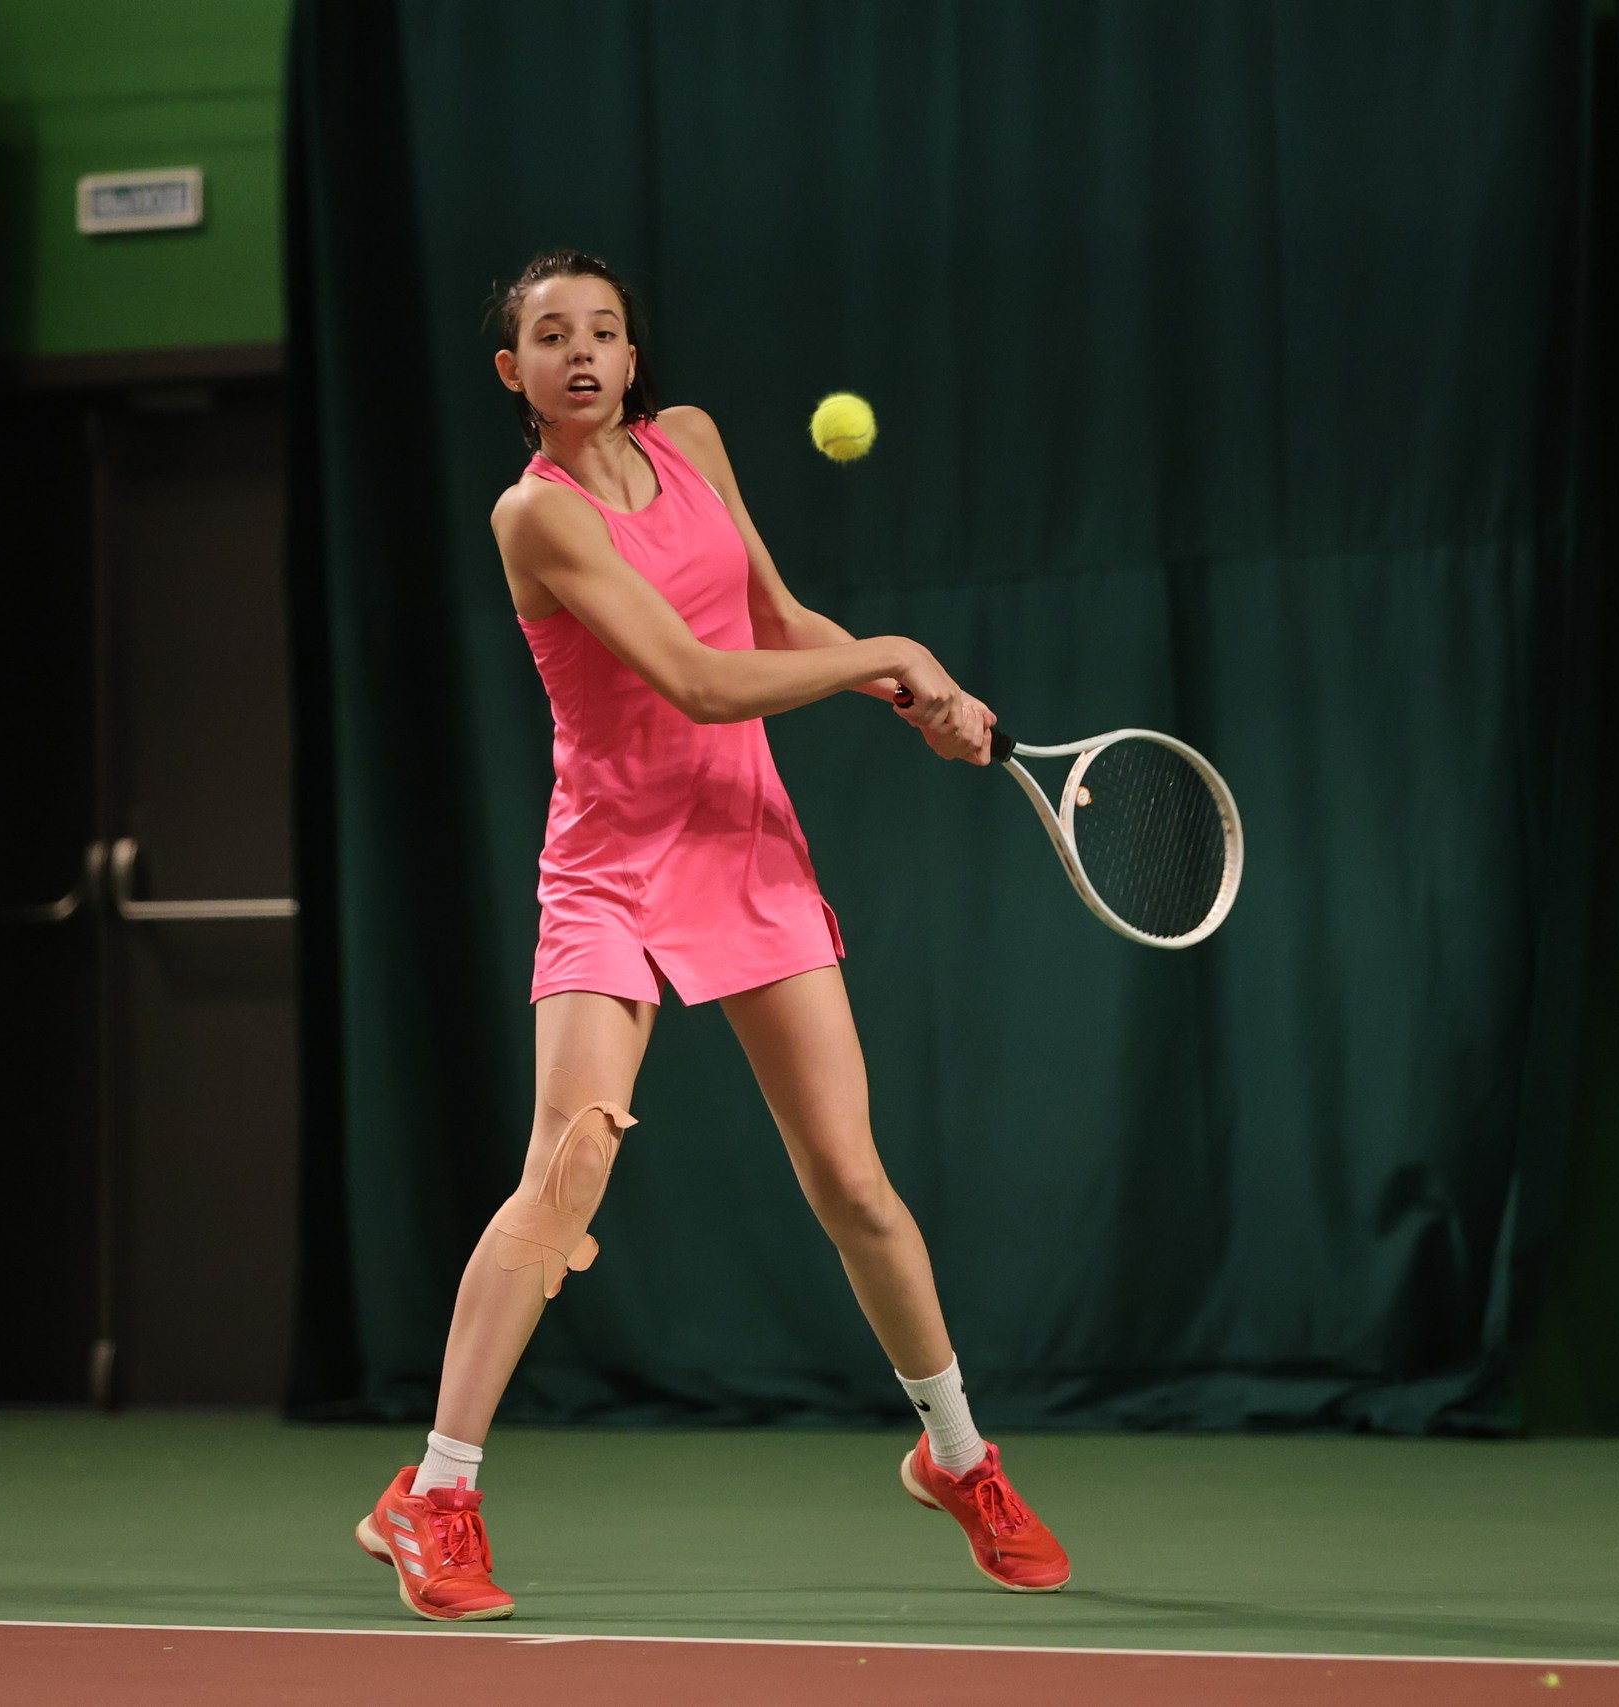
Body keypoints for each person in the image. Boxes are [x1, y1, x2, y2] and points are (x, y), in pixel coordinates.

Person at [353, 250, 1068, 1620]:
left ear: (633, 357)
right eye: (550, 337)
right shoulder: (534, 515)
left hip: (746, 848)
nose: (581, 353)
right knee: (565, 1176)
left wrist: (921, 699)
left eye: (603, 332)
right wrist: (890, 653)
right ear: (513, 372)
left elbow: (776, 620)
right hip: (611, 871)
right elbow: (694, 679)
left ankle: (957, 1457)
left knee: (853, 1182)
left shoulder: (691, 441)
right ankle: (433, 1495)